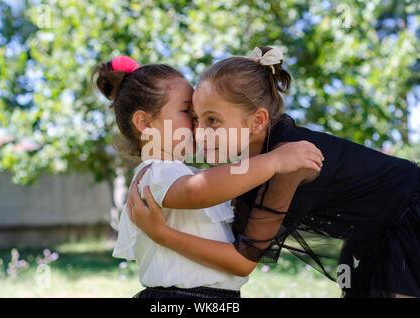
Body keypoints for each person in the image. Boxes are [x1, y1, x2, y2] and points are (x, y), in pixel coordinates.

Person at [127, 46, 420, 298]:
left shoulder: (287, 161)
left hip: (410, 216)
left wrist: (161, 234)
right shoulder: (251, 164)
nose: (199, 133)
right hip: (374, 228)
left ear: (258, 121)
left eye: (213, 120)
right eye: (194, 119)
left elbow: (242, 260)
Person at [91, 55, 324, 298]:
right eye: (187, 112)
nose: (197, 125)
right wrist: (273, 161)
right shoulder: (154, 173)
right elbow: (197, 191)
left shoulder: (185, 174)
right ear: (144, 123)